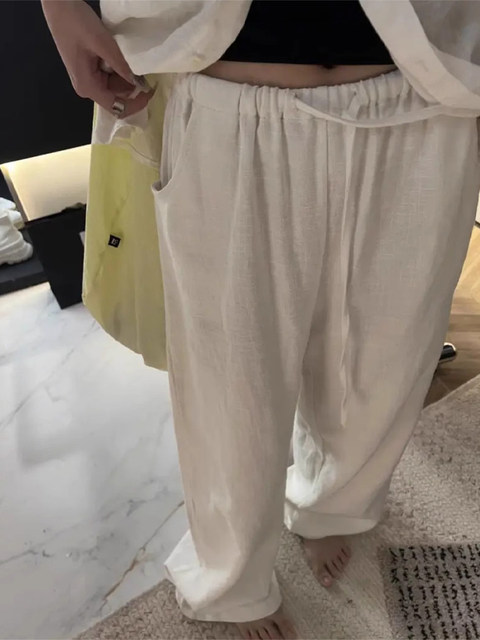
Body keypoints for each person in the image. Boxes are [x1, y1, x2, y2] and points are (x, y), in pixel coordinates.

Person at [42, 1, 480, 639]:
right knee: (232, 383)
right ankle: (231, 575)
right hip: (228, 94)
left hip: (427, 90)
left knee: (389, 358)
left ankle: (334, 504)